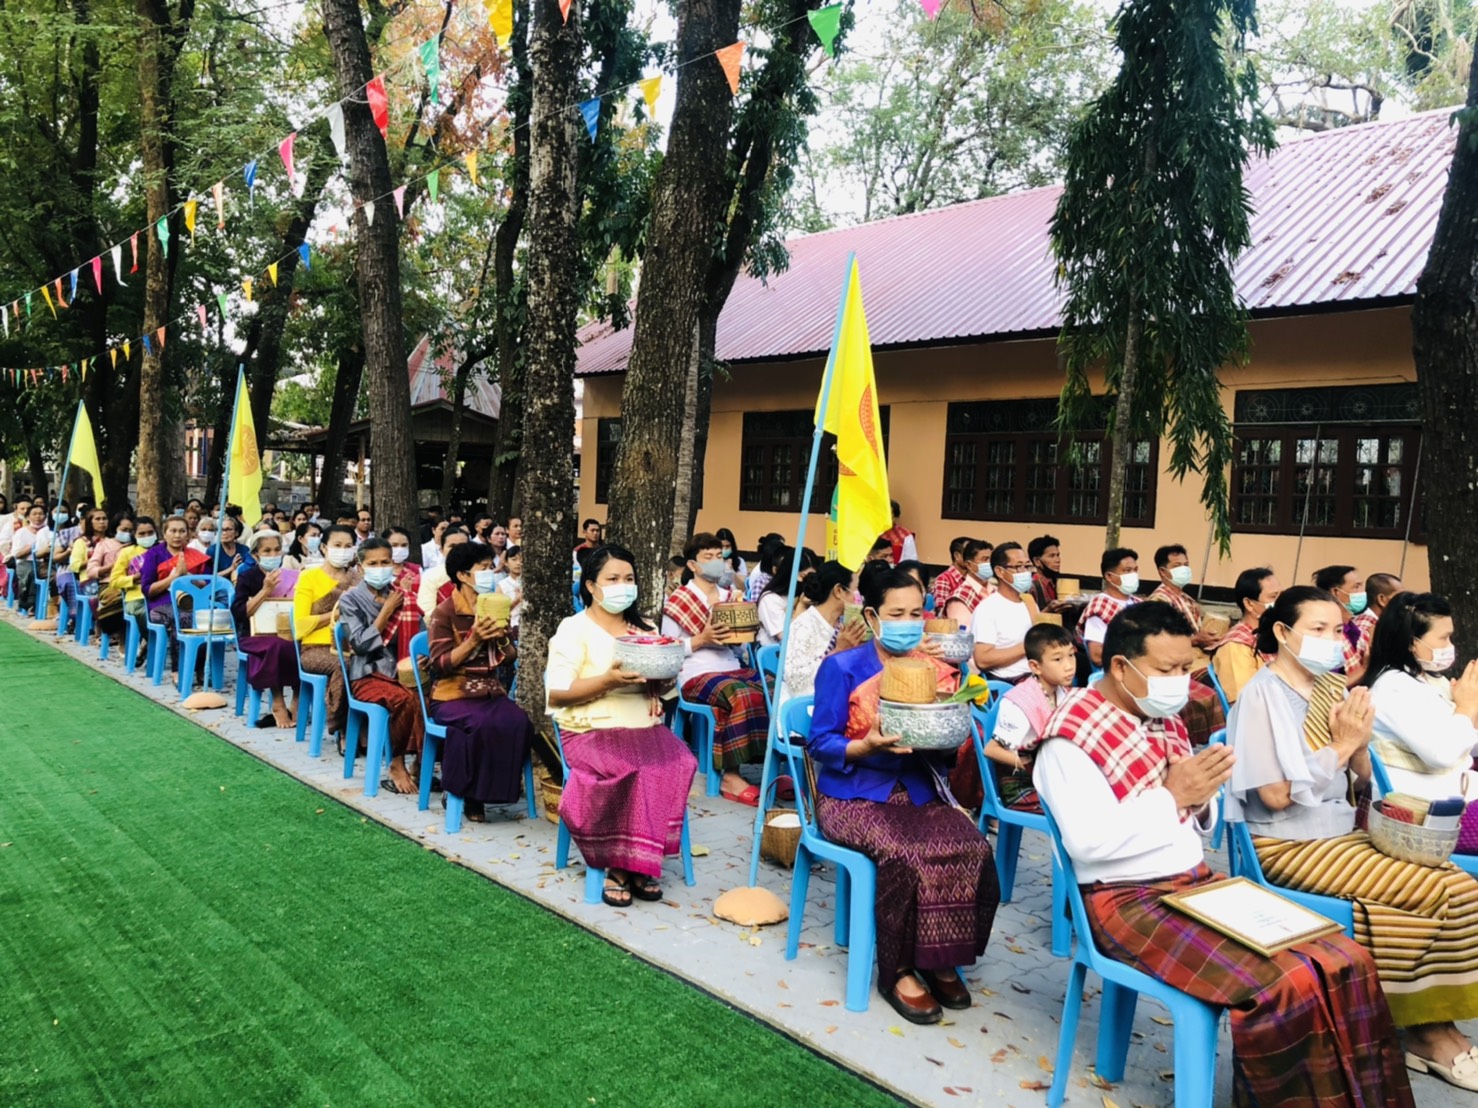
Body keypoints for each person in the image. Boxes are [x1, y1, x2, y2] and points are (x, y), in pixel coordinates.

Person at [1037, 601, 1414, 1105]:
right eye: (1166, 670)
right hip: (1124, 900)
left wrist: (1195, 798)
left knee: (1346, 958)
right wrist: (1173, 795)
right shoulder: (1070, 736)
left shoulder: (1160, 716)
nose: (1180, 681)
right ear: (1121, 667)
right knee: (1284, 983)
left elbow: (1198, 815)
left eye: (1185, 666)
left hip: (1195, 884)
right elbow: (1088, 842)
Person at [1227, 586, 1478, 1090]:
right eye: (1317, 628)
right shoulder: (1262, 694)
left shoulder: (1330, 687)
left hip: (1339, 832)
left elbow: (1360, 779)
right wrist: (1343, 745)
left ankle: (1430, 1024)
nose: (1331, 639)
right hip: (1285, 843)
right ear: (1283, 632)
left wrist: (1359, 746)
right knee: (1429, 891)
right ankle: (1426, 1035)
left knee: (1461, 885)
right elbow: (1274, 796)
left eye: (1337, 629)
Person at [808, 566, 998, 1025]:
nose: (909, 623)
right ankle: (898, 969)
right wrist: (864, 746)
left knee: (972, 846)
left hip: (916, 787)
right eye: (897, 614)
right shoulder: (841, 667)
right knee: (906, 852)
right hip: (852, 795)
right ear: (872, 616)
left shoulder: (930, 668)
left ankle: (939, 955)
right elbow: (819, 742)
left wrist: (948, 725)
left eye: (916, 613)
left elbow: (949, 743)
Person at [546, 544, 698, 905]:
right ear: (591, 586)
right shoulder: (573, 629)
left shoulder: (646, 628)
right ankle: (620, 865)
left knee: (681, 761)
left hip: (644, 727)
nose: (622, 586)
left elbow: (663, 691)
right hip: (589, 730)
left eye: (628, 579)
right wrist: (608, 681)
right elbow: (558, 693)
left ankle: (640, 859)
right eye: (612, 579)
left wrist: (664, 674)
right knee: (634, 768)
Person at [427, 541, 537, 821]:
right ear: (462, 575)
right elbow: (439, 665)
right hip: (452, 694)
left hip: (489, 691)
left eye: (491, 566)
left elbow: (509, 658)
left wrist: (502, 639)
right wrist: (473, 639)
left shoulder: (494, 607)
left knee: (519, 722)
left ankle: (497, 789)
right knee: (479, 725)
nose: (491, 573)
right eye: (484, 568)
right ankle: (468, 795)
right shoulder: (445, 612)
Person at [661, 532, 769, 805]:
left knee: (771, 687)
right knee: (739, 694)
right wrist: (702, 640)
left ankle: (767, 765)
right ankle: (731, 775)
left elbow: (738, 647)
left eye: (719, 556)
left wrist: (741, 632)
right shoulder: (679, 600)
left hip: (731, 666)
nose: (716, 561)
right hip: (695, 673)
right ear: (693, 565)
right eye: (707, 557)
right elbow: (668, 649)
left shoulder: (730, 597)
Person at [1363, 591, 1478, 805]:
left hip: (1456, 791)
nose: (1450, 646)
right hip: (1425, 805)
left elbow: (1466, 743)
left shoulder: (1429, 679)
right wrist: (1466, 708)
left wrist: (1472, 711)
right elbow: (1443, 754)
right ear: (1411, 642)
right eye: (1443, 638)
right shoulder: (1393, 688)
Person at [337, 538, 425, 795]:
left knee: (435, 696)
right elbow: (360, 645)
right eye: (373, 563)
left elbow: (421, 636)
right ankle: (396, 763)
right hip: (368, 674)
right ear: (361, 567)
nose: (380, 568)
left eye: (385, 562)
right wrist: (387, 610)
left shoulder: (403, 595)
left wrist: (422, 657)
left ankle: (421, 763)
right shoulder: (350, 600)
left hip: (403, 671)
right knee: (405, 699)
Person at [983, 623, 1078, 811]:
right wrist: (1035, 767)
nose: (1069, 666)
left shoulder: (1063, 693)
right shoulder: (1021, 701)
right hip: (1021, 783)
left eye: (1071, 655)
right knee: (1079, 808)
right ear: (1035, 666)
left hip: (1051, 775)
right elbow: (991, 750)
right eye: (1058, 659)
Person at [293, 525, 362, 741]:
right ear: (324, 548)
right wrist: (336, 613)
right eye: (337, 545)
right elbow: (300, 625)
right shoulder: (309, 577)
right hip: (315, 649)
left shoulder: (358, 579)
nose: (343, 550)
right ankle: (342, 726)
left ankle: (365, 727)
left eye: (348, 546)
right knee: (345, 664)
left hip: (352, 646)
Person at [231, 530, 301, 729]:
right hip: (254, 635)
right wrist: (265, 590)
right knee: (277, 646)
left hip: (288, 631)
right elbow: (240, 613)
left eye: (277, 550)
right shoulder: (247, 577)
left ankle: (297, 700)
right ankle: (278, 702)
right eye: (267, 551)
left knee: (303, 646)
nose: (273, 555)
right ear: (255, 555)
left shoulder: (291, 576)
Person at [779, 560, 865, 712]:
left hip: (837, 700)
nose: (858, 597)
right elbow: (797, 682)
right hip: (806, 709)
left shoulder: (841, 624)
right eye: (856, 589)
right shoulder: (803, 626)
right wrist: (838, 652)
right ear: (838, 591)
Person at [139, 516, 209, 672]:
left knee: (206, 618)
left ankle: (201, 669)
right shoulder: (153, 554)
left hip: (193, 602)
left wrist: (188, 576)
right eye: (173, 531)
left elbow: (208, 584)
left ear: (188, 535)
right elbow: (148, 589)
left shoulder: (196, 556)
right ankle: (178, 670)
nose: (177, 535)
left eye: (182, 531)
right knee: (182, 617)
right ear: (164, 534)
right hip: (160, 604)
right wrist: (173, 577)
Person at [970, 542, 1037, 682]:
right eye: (1018, 566)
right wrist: (1028, 646)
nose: (1025, 572)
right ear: (1000, 572)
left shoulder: (1029, 603)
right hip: (1008, 680)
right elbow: (982, 660)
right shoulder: (987, 609)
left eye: (1027, 566)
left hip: (1036, 675)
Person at [1212, 567, 1280, 705]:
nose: (1280, 603)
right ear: (1249, 604)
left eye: (1281, 596)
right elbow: (1244, 702)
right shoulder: (1235, 647)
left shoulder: (1272, 635)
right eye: (1273, 597)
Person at [1147, 544, 1220, 652]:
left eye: (1186, 565)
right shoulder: (1158, 601)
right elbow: (1157, 640)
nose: (1184, 569)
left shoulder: (1187, 599)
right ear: (1162, 571)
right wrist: (1195, 640)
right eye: (1177, 566)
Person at [1081, 547, 1140, 668]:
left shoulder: (1138, 603)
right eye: (1127, 570)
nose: (1133, 575)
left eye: (1135, 570)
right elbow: (1096, 656)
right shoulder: (1099, 607)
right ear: (1109, 576)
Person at [106, 516, 157, 652]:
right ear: (134, 535)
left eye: (150, 533)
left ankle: (154, 644)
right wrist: (134, 579)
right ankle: (151, 641)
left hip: (160, 595)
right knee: (144, 612)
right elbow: (114, 581)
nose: (146, 536)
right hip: (136, 598)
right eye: (142, 533)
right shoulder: (127, 552)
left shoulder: (162, 550)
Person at [1313, 565, 1368, 682]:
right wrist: (1365, 668)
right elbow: (1327, 686)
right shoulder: (1324, 636)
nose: (1362, 592)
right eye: (1356, 587)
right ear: (1336, 592)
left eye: (1361, 586)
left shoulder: (1354, 628)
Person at [757, 546, 819, 646]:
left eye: (812, 577)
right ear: (788, 573)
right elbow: (787, 638)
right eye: (803, 576)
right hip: (778, 653)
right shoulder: (770, 599)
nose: (807, 582)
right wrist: (801, 606)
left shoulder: (810, 596)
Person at [381, 526, 423, 662]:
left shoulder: (416, 570)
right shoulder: (377, 571)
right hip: (386, 626)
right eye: (394, 545)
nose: (399, 549)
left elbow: (423, 600)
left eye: (404, 545)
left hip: (414, 622)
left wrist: (409, 594)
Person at [1353, 572, 1404, 668]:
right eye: (1398, 597)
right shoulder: (1364, 629)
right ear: (1382, 599)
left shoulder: (1380, 624)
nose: (1403, 603)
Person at [417, 525, 469, 614]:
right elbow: (427, 612)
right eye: (452, 546)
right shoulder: (431, 576)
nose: (458, 550)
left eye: (463, 546)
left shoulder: (479, 573)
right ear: (442, 549)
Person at [942, 539, 994, 628]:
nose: (989, 564)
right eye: (984, 559)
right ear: (969, 565)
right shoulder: (959, 598)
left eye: (991, 559)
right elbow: (964, 632)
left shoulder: (995, 591)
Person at [930, 536, 973, 612]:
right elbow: (941, 611)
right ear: (957, 555)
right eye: (969, 554)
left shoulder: (973, 578)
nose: (973, 558)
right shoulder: (943, 579)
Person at [205, 514, 252, 579]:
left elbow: (250, 571)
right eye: (221, 530)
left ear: (236, 532)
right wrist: (231, 568)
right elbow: (209, 577)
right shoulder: (212, 551)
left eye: (228, 529)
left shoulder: (244, 550)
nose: (224, 533)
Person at [880, 500, 918, 565]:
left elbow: (911, 561)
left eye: (888, 514)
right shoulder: (867, 532)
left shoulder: (905, 535)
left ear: (895, 517)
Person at [714, 527, 748, 592]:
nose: (724, 549)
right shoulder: (711, 561)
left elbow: (743, 588)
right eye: (721, 546)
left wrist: (731, 571)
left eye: (727, 546)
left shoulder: (739, 561)